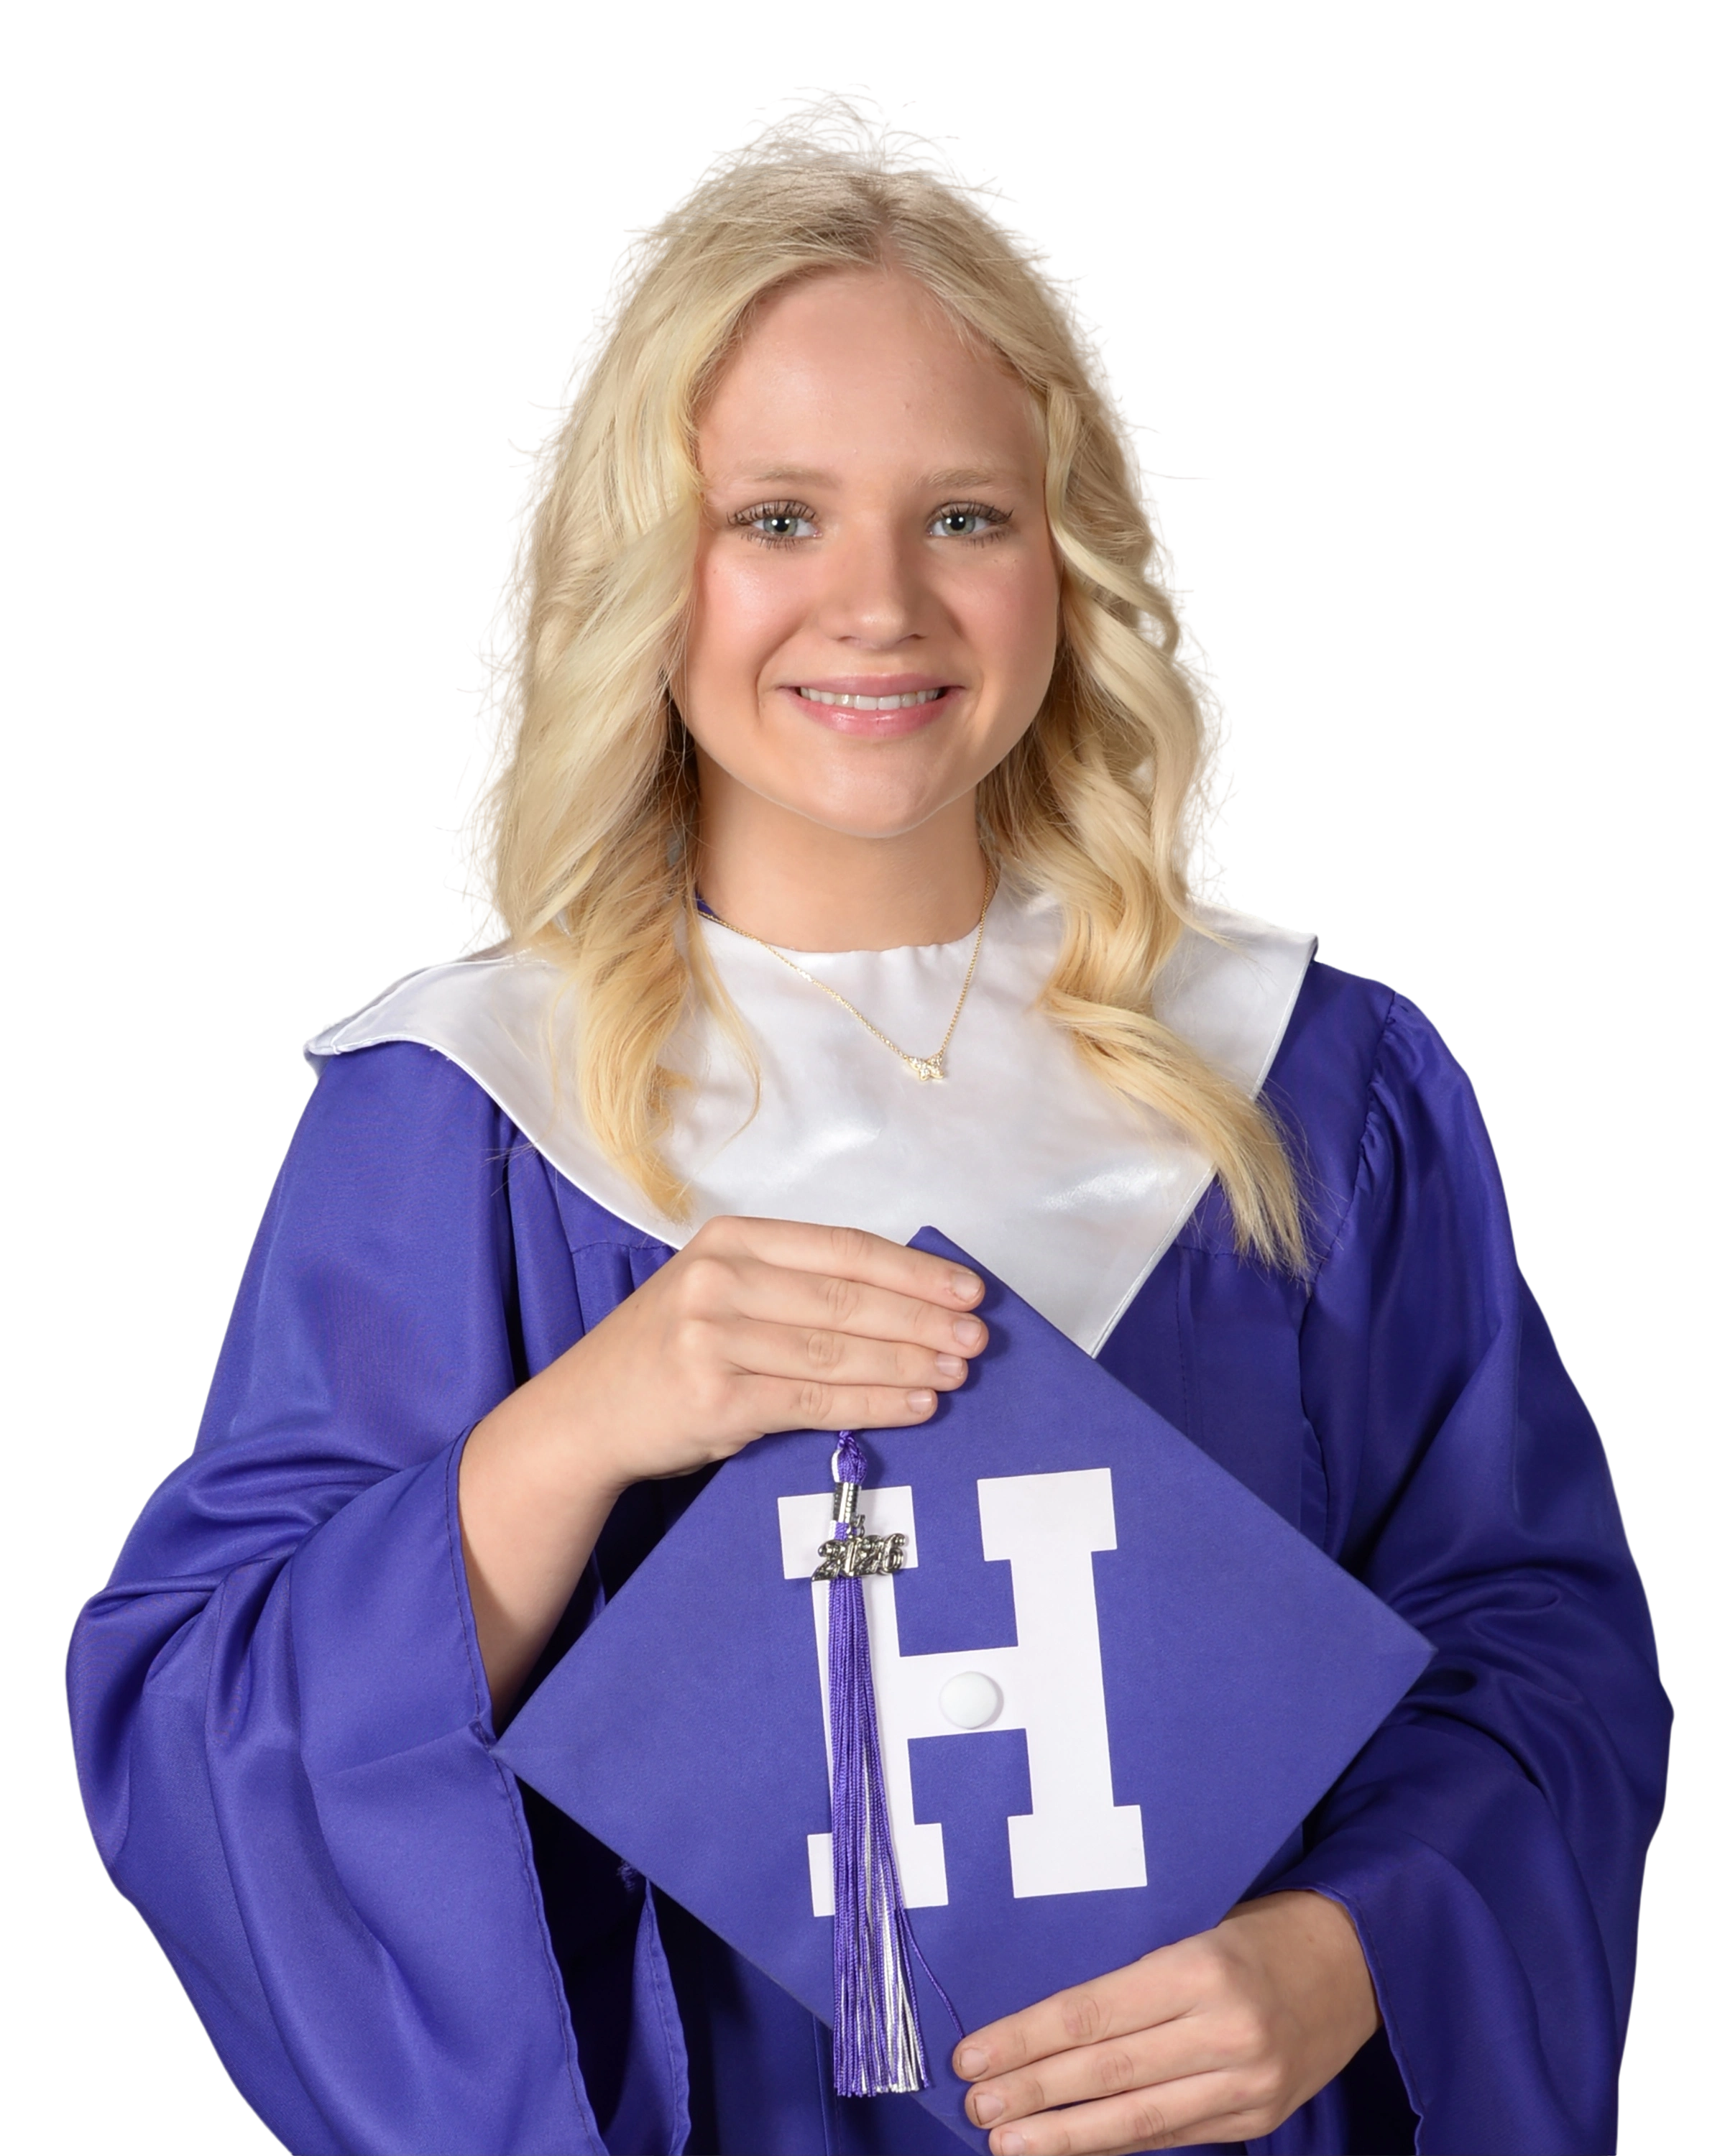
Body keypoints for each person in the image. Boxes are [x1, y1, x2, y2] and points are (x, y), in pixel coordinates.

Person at [65, 88, 1671, 2156]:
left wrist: (1356, 1949)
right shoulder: (463, 1120)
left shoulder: (1309, 1085)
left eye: (966, 517)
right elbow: (212, 1732)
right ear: (649, 570)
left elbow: (1539, 1647)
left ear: (1070, 561)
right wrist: (581, 1428)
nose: (880, 608)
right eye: (777, 518)